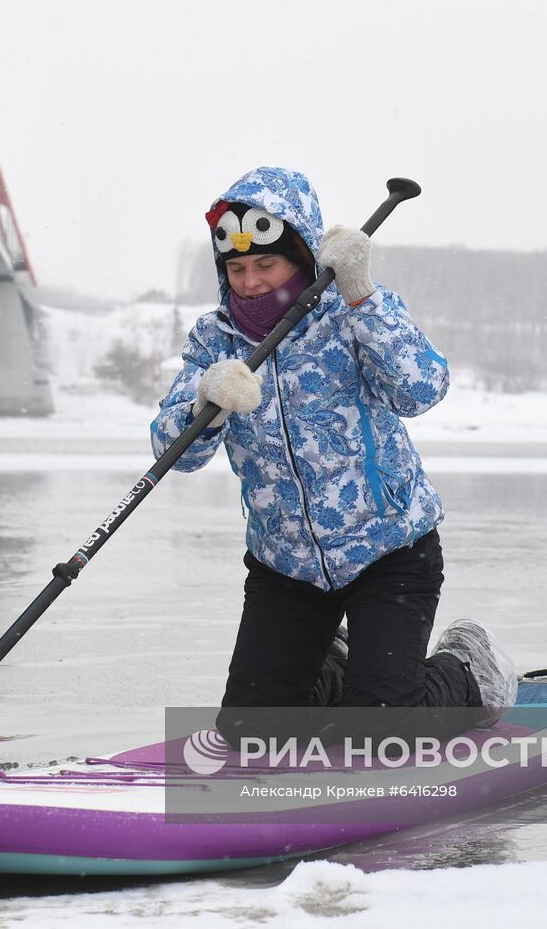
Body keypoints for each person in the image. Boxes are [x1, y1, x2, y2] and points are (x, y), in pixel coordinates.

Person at [149, 166, 518, 744]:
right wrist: (207, 401)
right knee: (250, 737)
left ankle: (468, 674)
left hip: (389, 551)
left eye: (265, 264)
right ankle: (341, 668)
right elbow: (177, 455)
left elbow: (422, 389)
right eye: (237, 268)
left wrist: (363, 296)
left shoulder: (351, 316)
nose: (249, 281)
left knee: (380, 735)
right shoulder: (215, 342)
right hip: (285, 565)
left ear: (300, 257)